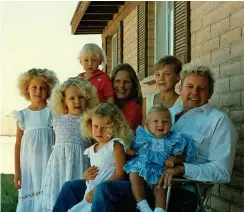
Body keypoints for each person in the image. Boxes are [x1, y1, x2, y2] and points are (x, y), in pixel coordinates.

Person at [155, 65, 238, 211]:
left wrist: (182, 169)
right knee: (108, 190)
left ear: (210, 93)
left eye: (201, 88)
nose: (195, 92)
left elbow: (222, 172)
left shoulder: (218, 121)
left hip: (184, 189)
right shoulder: (166, 114)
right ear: (180, 88)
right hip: (151, 181)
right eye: (190, 86)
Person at [124, 105, 197, 212]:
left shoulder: (173, 139)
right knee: (134, 174)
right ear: (147, 125)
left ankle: (160, 209)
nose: (160, 124)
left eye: (165, 121)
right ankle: (143, 205)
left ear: (171, 125)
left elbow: (181, 157)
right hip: (142, 167)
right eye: (156, 121)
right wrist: (130, 151)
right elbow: (131, 148)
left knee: (162, 187)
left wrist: (174, 159)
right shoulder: (142, 137)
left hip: (160, 170)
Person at [41, 77, 99, 212]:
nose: (77, 101)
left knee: (75, 198)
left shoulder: (90, 121)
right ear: (63, 101)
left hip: (80, 164)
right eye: (72, 98)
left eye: (81, 97)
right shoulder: (57, 119)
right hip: (59, 164)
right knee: (58, 196)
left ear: (88, 99)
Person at [68, 103, 133, 211]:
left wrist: (97, 189)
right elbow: (96, 171)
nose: (98, 131)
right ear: (90, 124)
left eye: (105, 128)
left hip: (107, 189)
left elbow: (120, 173)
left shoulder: (115, 145)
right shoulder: (92, 149)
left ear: (115, 128)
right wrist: (86, 175)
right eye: (95, 126)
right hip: (92, 189)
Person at [13, 68, 59, 212]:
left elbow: (57, 140)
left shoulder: (52, 113)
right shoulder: (23, 115)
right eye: (34, 87)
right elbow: (18, 144)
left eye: (42, 88)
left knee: (46, 191)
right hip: (29, 164)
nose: (38, 91)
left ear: (48, 90)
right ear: (26, 89)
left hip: (47, 161)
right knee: (31, 191)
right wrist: (17, 172)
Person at [143, 56, 182, 120]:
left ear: (177, 77)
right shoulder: (146, 102)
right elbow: (143, 128)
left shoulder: (183, 102)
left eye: (167, 74)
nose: (161, 79)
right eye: (158, 74)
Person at [111, 63, 143, 132]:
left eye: (126, 82)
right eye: (117, 81)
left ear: (133, 85)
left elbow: (122, 133)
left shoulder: (134, 108)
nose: (121, 86)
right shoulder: (109, 105)